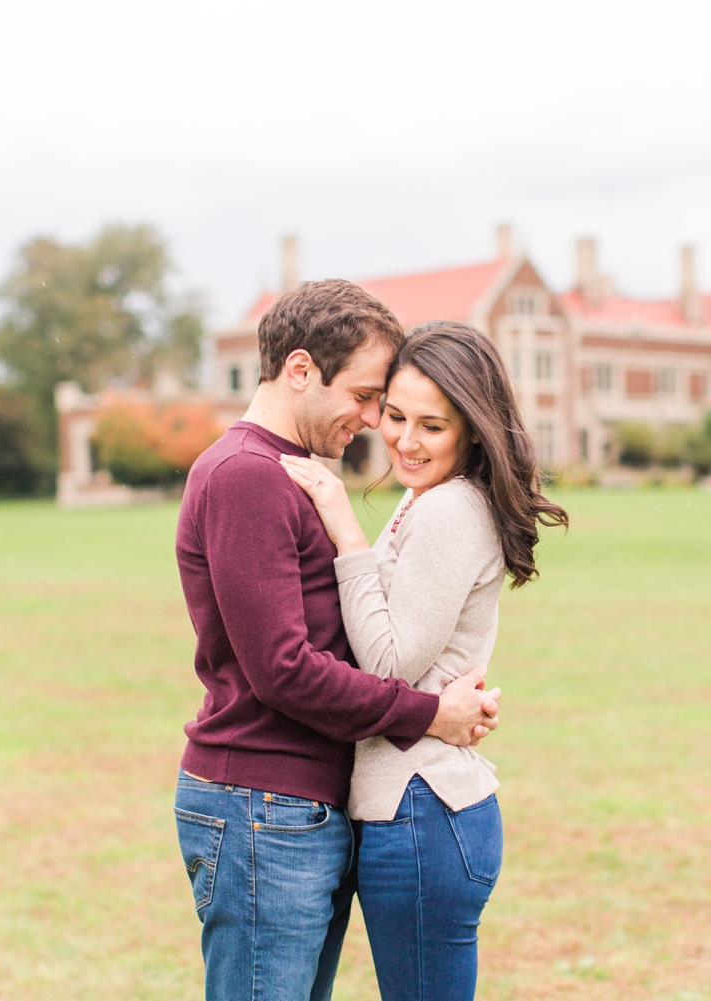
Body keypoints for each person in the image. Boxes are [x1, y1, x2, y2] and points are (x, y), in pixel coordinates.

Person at [172, 282, 502, 1001]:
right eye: (363, 395)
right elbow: (284, 670)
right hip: (262, 800)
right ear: (299, 371)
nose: (373, 418)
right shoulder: (246, 477)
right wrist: (427, 714)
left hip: (301, 803)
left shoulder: (292, 475)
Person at [279, 320, 568, 1001]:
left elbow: (387, 664)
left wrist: (343, 523)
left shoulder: (450, 511)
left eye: (431, 426)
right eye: (396, 415)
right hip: (419, 811)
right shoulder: (427, 499)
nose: (405, 440)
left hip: (422, 813)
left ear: (473, 428)